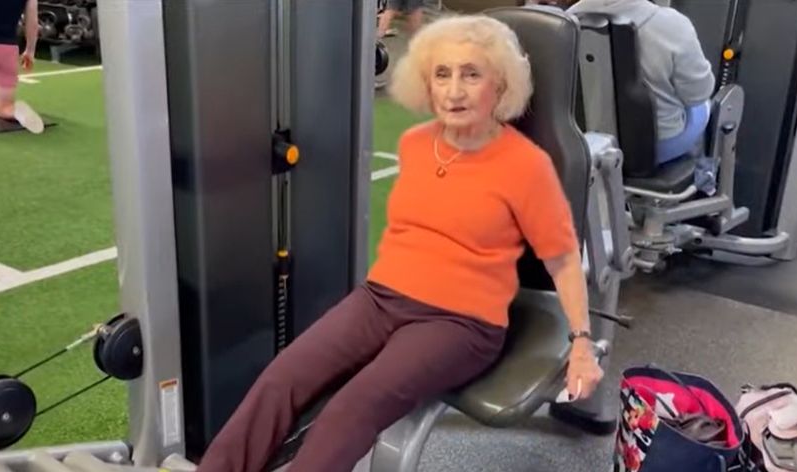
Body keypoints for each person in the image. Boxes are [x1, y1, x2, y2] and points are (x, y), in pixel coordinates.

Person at [196, 14, 602, 472]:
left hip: (461, 322)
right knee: (281, 378)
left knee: (353, 407)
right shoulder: (415, 144)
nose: (454, 90)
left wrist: (582, 344)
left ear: (501, 85)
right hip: (380, 299)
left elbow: (563, 260)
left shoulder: (526, 165)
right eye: (442, 74)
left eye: (472, 74)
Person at [568, 0, 715, 166]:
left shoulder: (564, 24)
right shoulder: (674, 25)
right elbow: (698, 94)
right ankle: (703, 173)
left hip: (586, 145)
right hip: (659, 147)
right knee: (702, 105)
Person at [0, 0, 44, 134]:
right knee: (4, 108)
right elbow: (32, 23)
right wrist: (30, 51)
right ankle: (10, 110)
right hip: (7, 50)